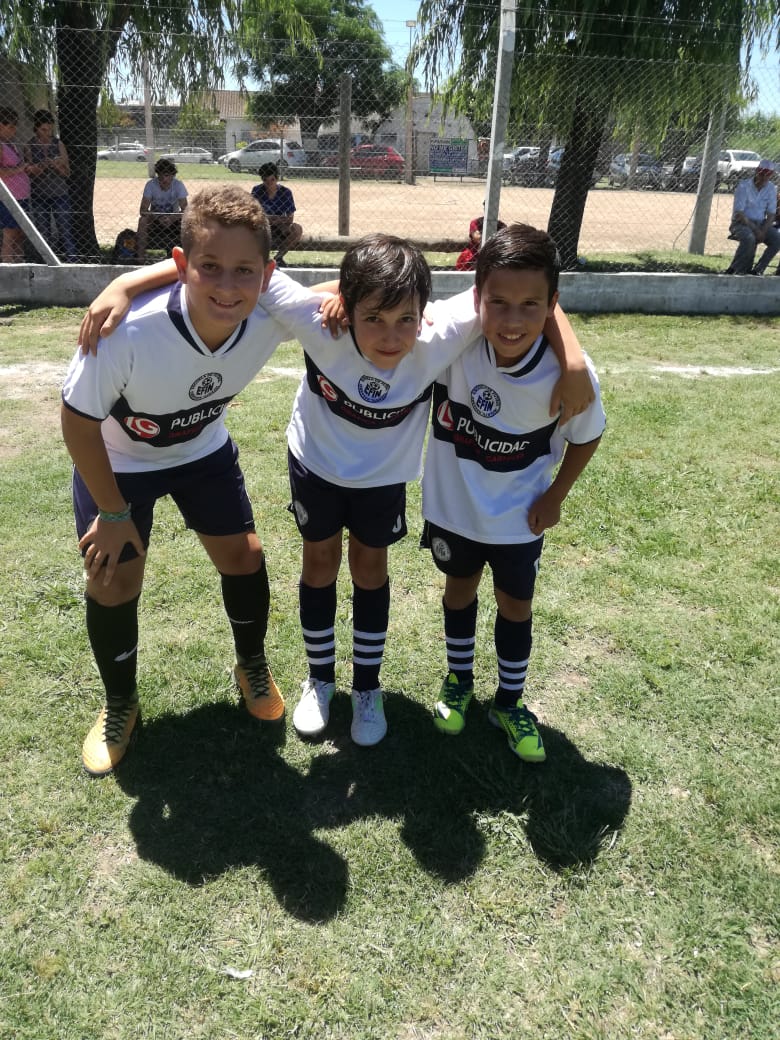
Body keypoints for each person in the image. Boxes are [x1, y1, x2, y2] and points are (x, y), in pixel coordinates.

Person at [77, 237, 593, 750]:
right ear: (347, 306)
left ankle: (367, 688)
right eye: (373, 318)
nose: (390, 336)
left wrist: (570, 359)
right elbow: (236, 272)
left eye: (405, 320)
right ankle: (320, 679)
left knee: (370, 569)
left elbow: (520, 291)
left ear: (424, 314)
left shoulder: (442, 333)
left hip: (382, 478)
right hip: (316, 466)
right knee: (319, 563)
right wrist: (129, 282)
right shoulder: (318, 322)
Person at [61, 185, 323, 777]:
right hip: (120, 462)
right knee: (112, 579)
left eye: (244, 271)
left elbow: (349, 300)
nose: (228, 286)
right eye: (210, 268)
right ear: (181, 265)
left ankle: (251, 664)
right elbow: (77, 424)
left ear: (268, 274)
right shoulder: (125, 330)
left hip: (201, 451)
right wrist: (114, 513)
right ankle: (120, 702)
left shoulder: (271, 311)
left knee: (244, 556)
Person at [421, 223, 606, 763]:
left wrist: (556, 496)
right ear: (476, 296)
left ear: (552, 305)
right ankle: (458, 681)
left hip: (518, 518)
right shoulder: (456, 344)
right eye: (498, 302)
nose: (512, 320)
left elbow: (588, 434)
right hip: (455, 510)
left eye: (530, 306)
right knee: (458, 590)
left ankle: (509, 701)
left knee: (515, 604)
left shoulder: (567, 375)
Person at [25, 108, 77, 263]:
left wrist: (56, 166)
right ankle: (47, 263)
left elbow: (67, 173)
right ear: (36, 128)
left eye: (50, 129)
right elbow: (29, 173)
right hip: (39, 196)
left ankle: (72, 262)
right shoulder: (29, 146)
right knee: (43, 232)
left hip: (60, 194)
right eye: (43, 129)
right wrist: (42, 165)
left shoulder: (58, 144)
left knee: (65, 231)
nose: (47, 133)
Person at [724, 159, 780, 276]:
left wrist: (763, 231)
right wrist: (756, 230)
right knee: (749, 238)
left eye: (767, 174)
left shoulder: (771, 188)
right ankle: (735, 269)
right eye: (761, 173)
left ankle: (758, 270)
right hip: (741, 223)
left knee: (777, 240)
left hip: (761, 223)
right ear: (756, 171)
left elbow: (771, 214)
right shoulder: (744, 186)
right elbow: (739, 213)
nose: (764, 177)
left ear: (771, 175)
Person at [136, 158, 188, 263]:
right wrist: (158, 217)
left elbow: (186, 210)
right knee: (142, 220)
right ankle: (140, 258)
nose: (164, 179)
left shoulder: (178, 185)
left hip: (174, 221)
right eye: (160, 176)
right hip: (155, 220)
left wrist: (172, 218)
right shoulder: (151, 185)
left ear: (173, 175)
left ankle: (186, 257)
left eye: (167, 175)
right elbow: (143, 210)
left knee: (188, 221)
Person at [251, 162, 302, 267]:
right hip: (262, 227)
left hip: (280, 227)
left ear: (277, 179)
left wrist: (268, 218)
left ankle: (278, 257)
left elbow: (290, 218)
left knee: (297, 229)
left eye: (272, 180)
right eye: (265, 180)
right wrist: (277, 218)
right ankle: (261, 258)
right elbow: (253, 215)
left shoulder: (285, 192)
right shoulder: (257, 191)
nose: (269, 183)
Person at [0, 106, 31, 263]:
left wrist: (26, 167)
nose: (14, 130)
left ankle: (20, 265)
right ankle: (8, 268)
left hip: (21, 197)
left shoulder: (11, 144)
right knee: (10, 234)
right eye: (11, 126)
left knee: (20, 234)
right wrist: (20, 168)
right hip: (8, 198)